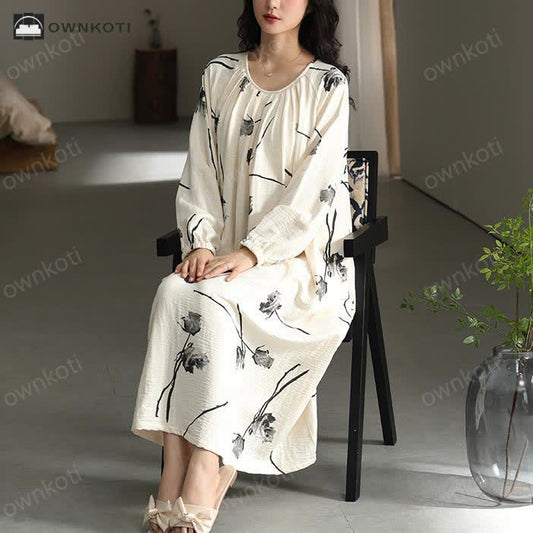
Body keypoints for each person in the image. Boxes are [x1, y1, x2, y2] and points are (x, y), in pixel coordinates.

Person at [131, 1, 356, 531]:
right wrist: (200, 243)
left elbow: (315, 193)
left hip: (296, 267)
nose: (274, 3)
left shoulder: (327, 85)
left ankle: (206, 466)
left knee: (210, 302)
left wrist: (254, 252)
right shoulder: (220, 74)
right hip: (224, 255)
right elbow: (201, 170)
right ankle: (177, 465)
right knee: (174, 292)